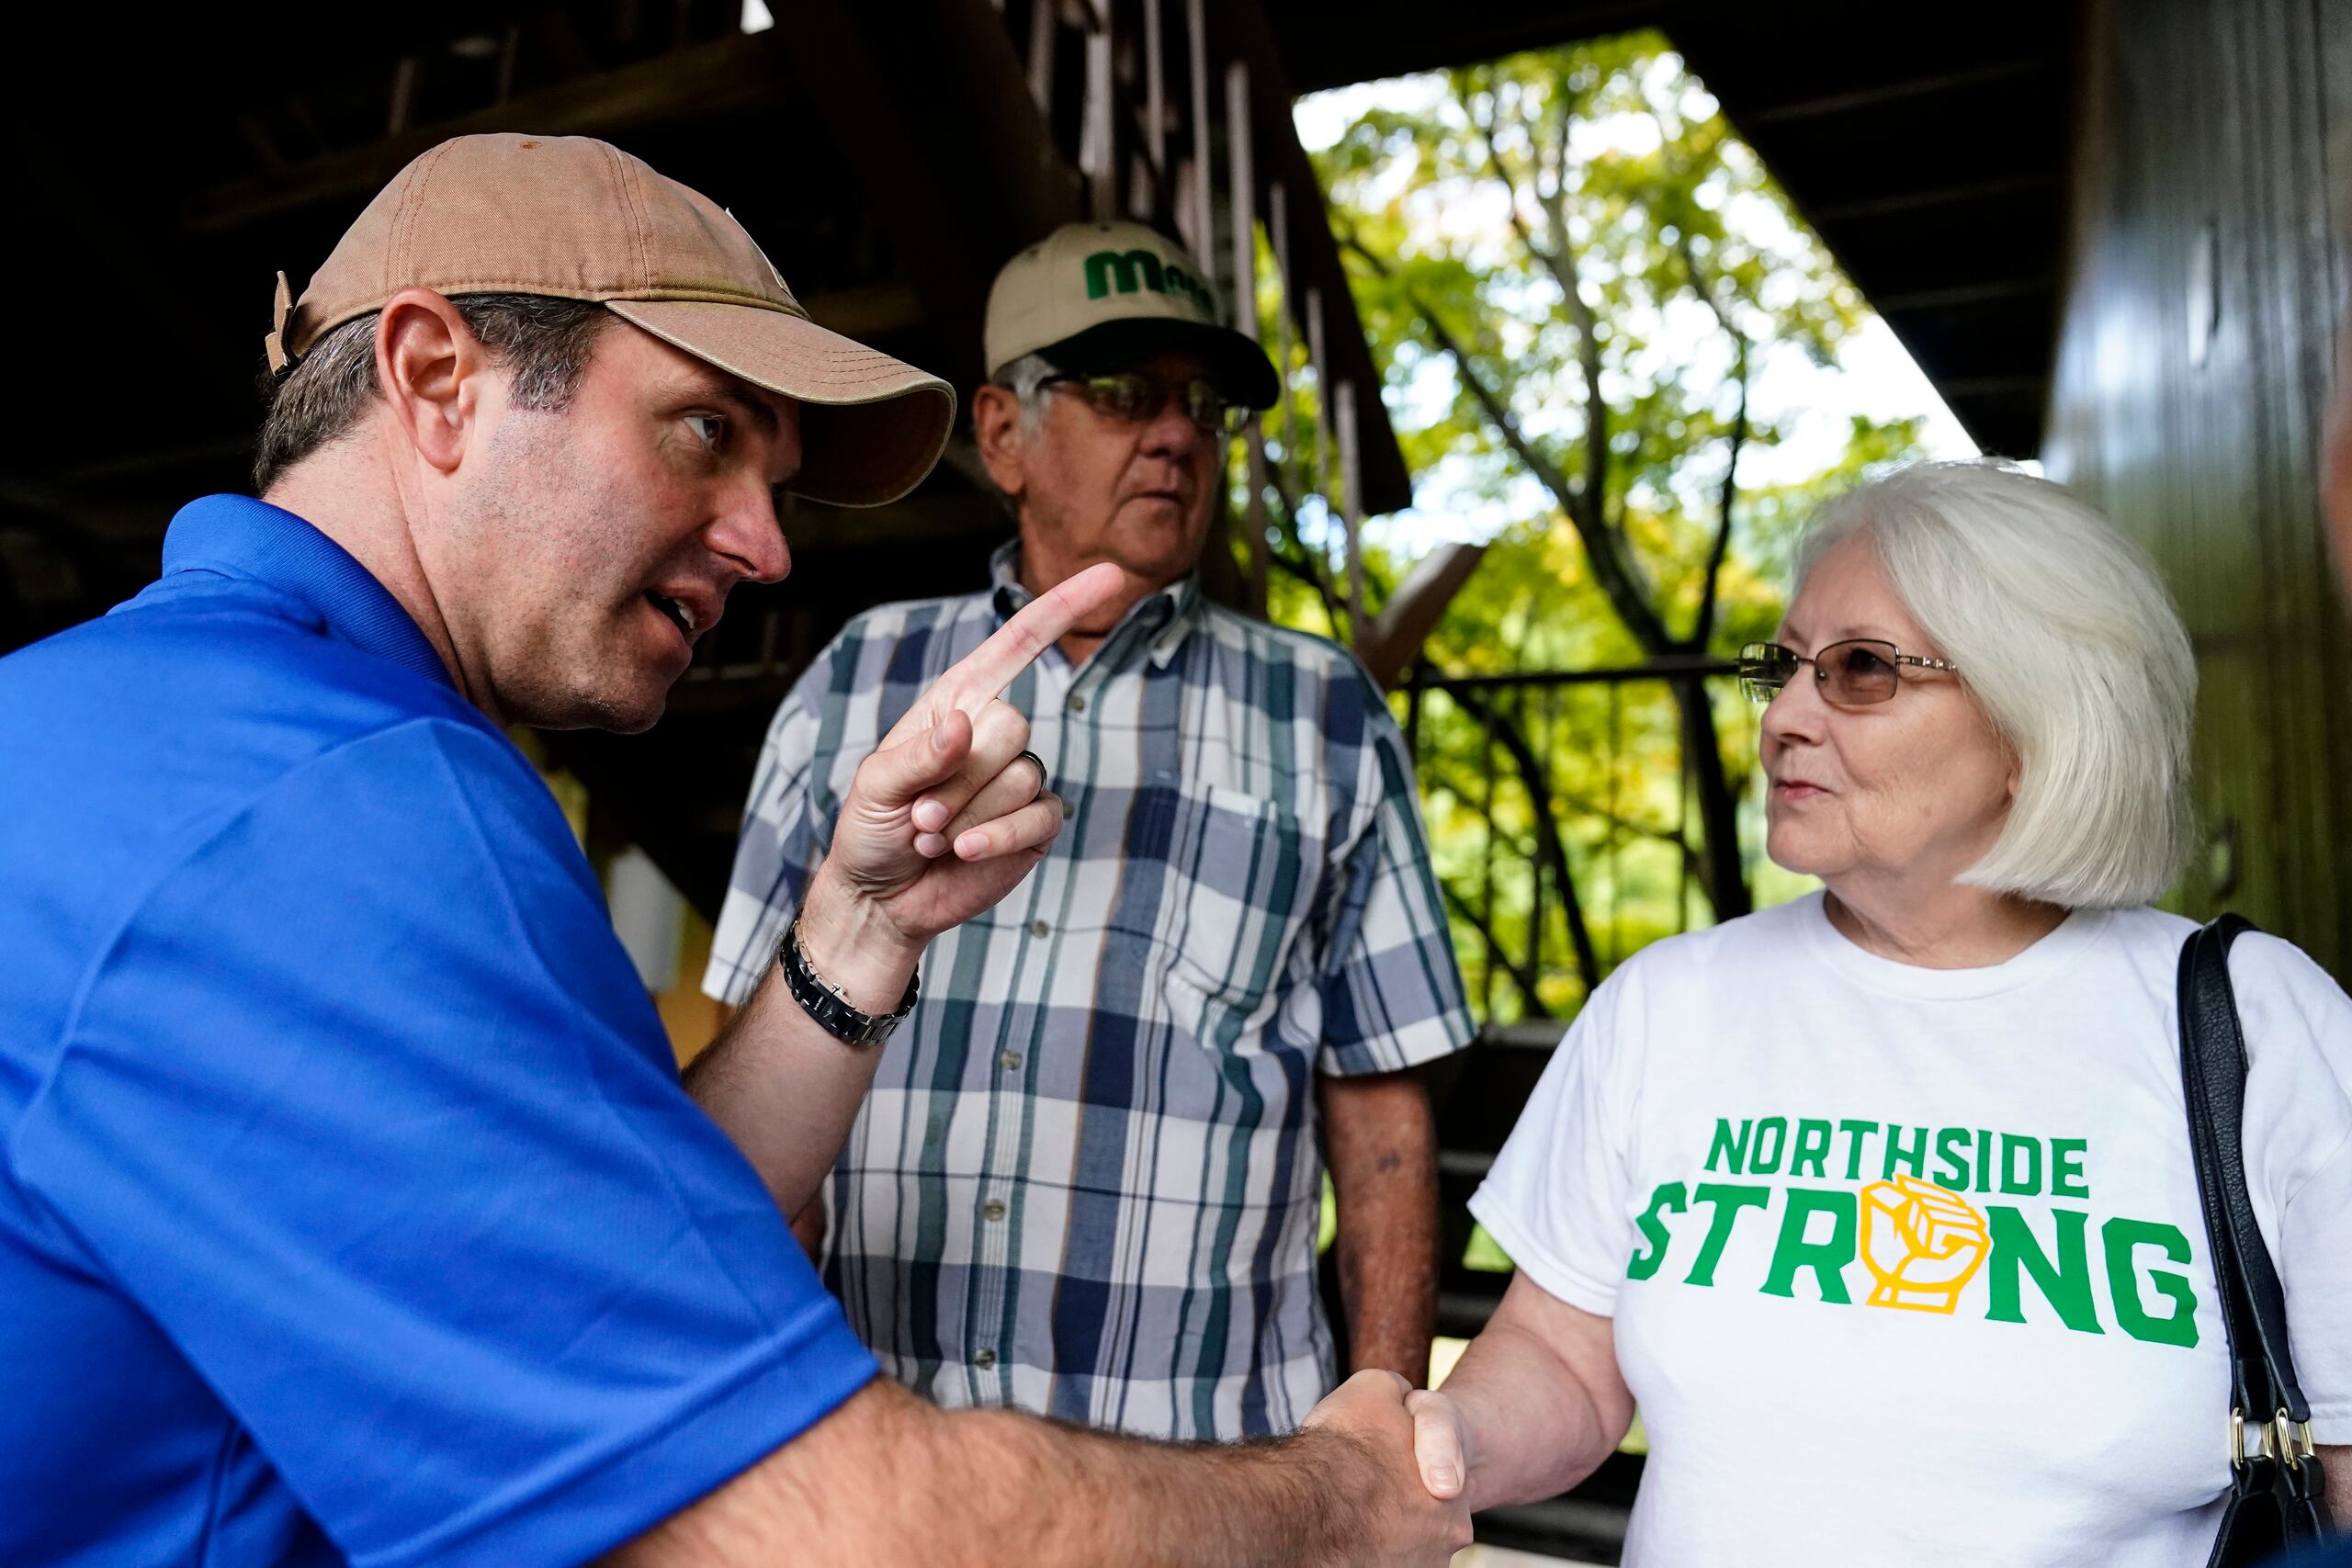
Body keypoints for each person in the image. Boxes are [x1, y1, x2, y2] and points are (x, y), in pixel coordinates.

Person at [0, 133, 1470, 1567]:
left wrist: (855, 935)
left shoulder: (101, 708)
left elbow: (589, 1240)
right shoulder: (343, 803)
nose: (772, 547)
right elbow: (839, 1531)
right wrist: (1346, 1497)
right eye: (706, 427)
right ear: (439, 379)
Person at [1411, 460, 2352, 1563]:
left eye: (1860, 670)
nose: (1782, 722)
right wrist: (1446, 1442)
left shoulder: (2261, 1027)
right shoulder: (1670, 1004)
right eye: (1786, 667)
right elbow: (1564, 1358)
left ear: (2029, 719)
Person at [698, 219, 1476, 1439]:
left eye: (1201, 402)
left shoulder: (1325, 710)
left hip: (1213, 1469)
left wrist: (1386, 1423)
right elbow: (756, 1053)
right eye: (1122, 392)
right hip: (884, 1445)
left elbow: (1378, 1094)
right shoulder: (863, 681)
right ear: (1002, 433)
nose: (1174, 432)